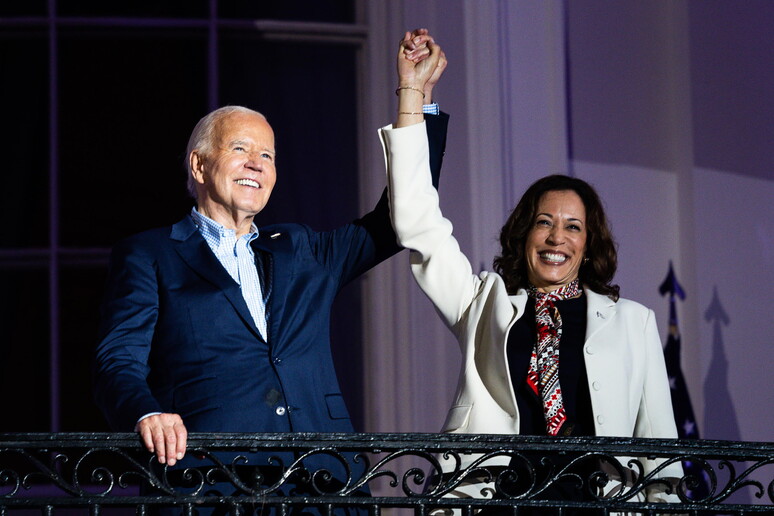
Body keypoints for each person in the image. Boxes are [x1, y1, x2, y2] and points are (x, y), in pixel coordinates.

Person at [92, 29, 448, 503]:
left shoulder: (300, 249)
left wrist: (414, 97)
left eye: (268, 155)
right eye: (240, 149)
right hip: (211, 485)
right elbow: (117, 361)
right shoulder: (150, 254)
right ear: (199, 167)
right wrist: (145, 415)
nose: (256, 164)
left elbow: (397, 219)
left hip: (325, 483)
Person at [378, 35, 683, 513]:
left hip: (597, 505)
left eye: (572, 227)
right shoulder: (482, 303)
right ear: (524, 235)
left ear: (589, 244)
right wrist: (412, 94)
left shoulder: (635, 323)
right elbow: (418, 223)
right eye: (544, 222)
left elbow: (661, 458)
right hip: (495, 503)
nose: (556, 237)